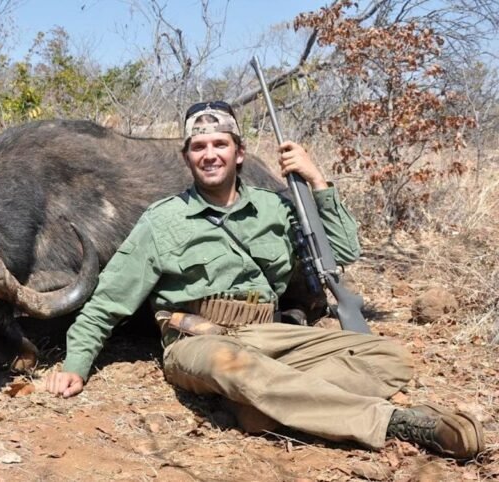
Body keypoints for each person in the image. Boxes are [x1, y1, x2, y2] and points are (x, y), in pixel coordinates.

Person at [45, 101, 484, 459]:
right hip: (197, 341)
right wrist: (74, 365)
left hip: (269, 332)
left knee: (388, 358)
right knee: (235, 366)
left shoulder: (277, 207)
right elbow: (108, 301)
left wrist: (316, 180)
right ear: (187, 158)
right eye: (198, 146)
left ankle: (263, 406)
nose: (209, 154)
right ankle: (395, 422)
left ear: (240, 153)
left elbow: (344, 251)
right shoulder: (162, 220)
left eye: (220, 143)